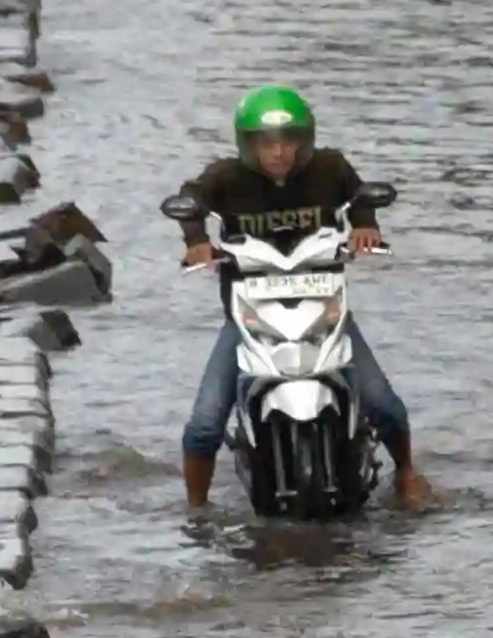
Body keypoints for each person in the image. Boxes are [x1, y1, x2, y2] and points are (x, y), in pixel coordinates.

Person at [164, 85, 433, 512]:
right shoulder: (226, 178)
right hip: (251, 314)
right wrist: (196, 241)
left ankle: (406, 471)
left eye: (289, 142)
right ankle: (196, 510)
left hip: (324, 310)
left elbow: (360, 197)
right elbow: (190, 200)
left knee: (383, 402)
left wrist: (366, 225)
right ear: (247, 145)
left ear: (305, 141)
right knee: (204, 423)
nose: (279, 153)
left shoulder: (329, 168)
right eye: (266, 143)